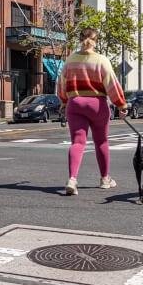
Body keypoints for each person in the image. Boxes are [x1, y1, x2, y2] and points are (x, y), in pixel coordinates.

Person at [56, 28, 126, 195]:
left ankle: (72, 179)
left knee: (77, 142)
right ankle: (104, 179)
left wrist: (64, 102)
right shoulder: (101, 60)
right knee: (101, 141)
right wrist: (121, 105)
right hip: (97, 105)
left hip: (75, 104)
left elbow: (61, 84)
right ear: (96, 40)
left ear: (80, 39)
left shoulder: (70, 60)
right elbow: (112, 84)